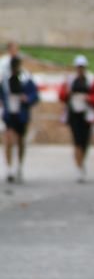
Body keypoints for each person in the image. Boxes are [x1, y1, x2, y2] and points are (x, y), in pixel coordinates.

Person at [58, 55, 94, 182]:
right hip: (74, 114)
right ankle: (78, 167)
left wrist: (89, 99)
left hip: (87, 114)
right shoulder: (70, 81)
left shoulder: (91, 80)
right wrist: (68, 94)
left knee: (85, 142)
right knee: (77, 141)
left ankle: (81, 162)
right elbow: (61, 96)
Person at [0, 55, 39, 183]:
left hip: (21, 114)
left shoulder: (26, 79)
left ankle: (19, 165)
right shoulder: (5, 79)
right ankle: (9, 168)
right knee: (9, 139)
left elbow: (35, 95)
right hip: (9, 113)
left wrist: (27, 98)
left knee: (21, 140)